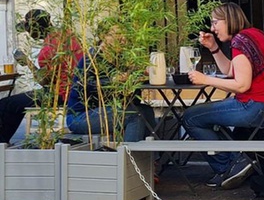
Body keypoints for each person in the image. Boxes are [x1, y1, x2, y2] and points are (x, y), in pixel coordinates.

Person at [185, 2, 264, 189]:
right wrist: (214, 47)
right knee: (238, 130)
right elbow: (231, 70)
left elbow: (241, 85)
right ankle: (253, 164)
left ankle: (229, 164)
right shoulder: (254, 35)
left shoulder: (240, 41)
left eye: (215, 23)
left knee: (191, 117)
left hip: (257, 107)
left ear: (228, 20)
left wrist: (205, 79)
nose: (212, 28)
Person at [0, 9, 83, 144]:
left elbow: (44, 81)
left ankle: (2, 142)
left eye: (28, 30)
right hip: (77, 90)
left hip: (61, 94)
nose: (28, 34)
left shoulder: (47, 50)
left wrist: (27, 63)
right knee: (15, 103)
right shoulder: (68, 35)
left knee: (7, 104)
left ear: (34, 30)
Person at [66, 23, 155, 143]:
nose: (123, 39)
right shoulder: (92, 58)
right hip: (81, 116)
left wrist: (137, 77)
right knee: (134, 115)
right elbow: (86, 86)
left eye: (125, 36)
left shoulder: (121, 60)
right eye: (118, 35)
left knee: (146, 111)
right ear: (104, 36)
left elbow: (131, 100)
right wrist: (113, 80)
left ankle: (150, 159)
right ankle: (129, 158)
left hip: (107, 110)